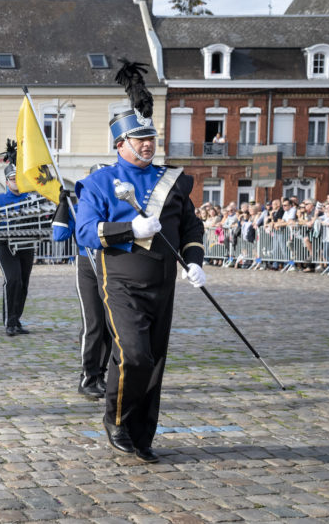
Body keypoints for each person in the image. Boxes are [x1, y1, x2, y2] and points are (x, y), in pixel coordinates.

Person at [75, 59, 205, 464]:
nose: (147, 143)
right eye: (138, 137)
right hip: (121, 282)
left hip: (163, 284)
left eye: (150, 136)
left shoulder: (176, 181)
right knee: (134, 354)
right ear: (120, 144)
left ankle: (141, 434)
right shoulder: (98, 182)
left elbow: (191, 226)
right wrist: (131, 229)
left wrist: (195, 259)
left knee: (153, 365)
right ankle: (115, 419)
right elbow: (85, 232)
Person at [51, 178, 110, 400]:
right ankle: (87, 377)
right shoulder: (79, 208)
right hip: (87, 265)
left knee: (110, 326)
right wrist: (63, 207)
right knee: (93, 323)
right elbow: (59, 235)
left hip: (112, 264)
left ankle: (100, 375)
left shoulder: (114, 204)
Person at [0, 140, 36, 336]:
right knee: (12, 280)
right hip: (5, 245)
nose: (16, 181)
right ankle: (9, 322)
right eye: (13, 179)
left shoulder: (30, 198)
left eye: (19, 178)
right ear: (7, 181)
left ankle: (17, 319)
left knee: (23, 283)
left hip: (26, 244)